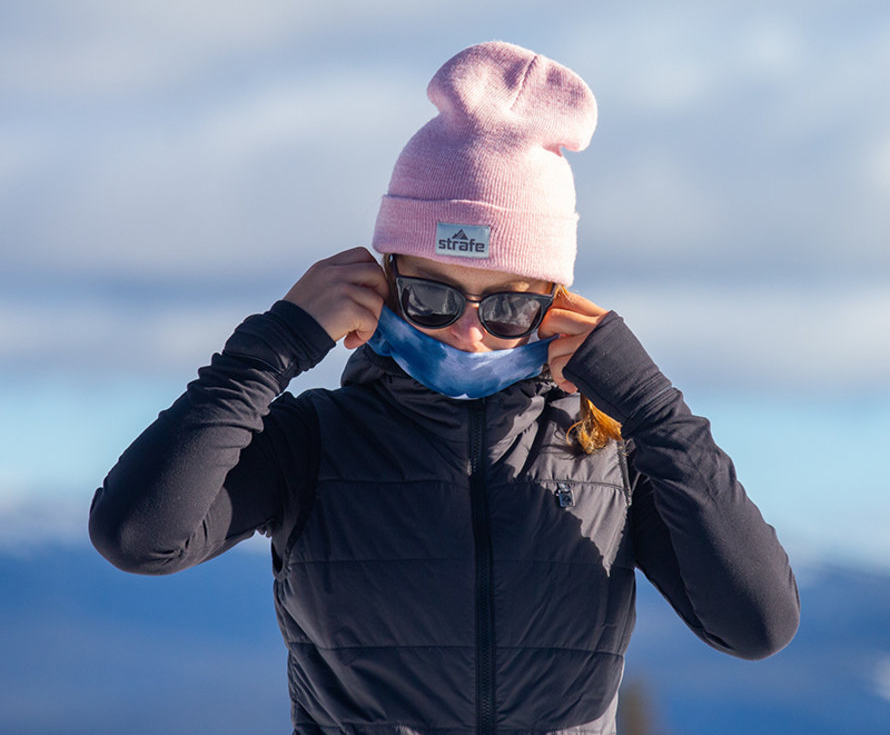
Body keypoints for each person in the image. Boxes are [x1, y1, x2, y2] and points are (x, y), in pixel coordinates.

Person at [89, 41, 800, 734]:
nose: (469, 333)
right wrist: (273, 346)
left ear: (558, 305)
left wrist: (650, 407)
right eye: (432, 295)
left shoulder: (610, 455)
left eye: (508, 307)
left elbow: (757, 625)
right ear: (384, 282)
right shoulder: (313, 443)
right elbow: (138, 536)